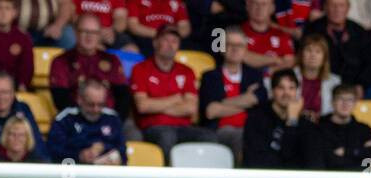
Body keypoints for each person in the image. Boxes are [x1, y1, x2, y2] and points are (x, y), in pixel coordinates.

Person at [131, 25, 213, 155]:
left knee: (208, 137)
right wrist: (176, 99)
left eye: (174, 41)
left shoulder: (187, 71)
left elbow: (191, 108)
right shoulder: (140, 69)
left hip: (183, 127)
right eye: (166, 40)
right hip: (153, 127)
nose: (170, 45)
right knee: (167, 136)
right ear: (155, 42)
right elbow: (143, 106)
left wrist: (156, 106)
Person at [200, 25, 267, 163]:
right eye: (230, 44)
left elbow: (259, 101)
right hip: (220, 130)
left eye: (240, 45)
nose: (235, 49)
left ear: (245, 49)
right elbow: (211, 111)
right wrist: (246, 102)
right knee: (242, 136)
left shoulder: (255, 75)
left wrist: (223, 102)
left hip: (250, 127)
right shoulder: (210, 76)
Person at [48, 13, 131, 115]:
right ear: (75, 32)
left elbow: (123, 97)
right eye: (85, 31)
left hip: (108, 119)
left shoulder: (112, 60)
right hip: (74, 119)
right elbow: (60, 99)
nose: (89, 36)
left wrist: (113, 121)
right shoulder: (61, 61)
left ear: (99, 34)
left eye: (94, 32)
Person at [302, 0, 371, 98]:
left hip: (357, 82)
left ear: (348, 8)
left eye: (341, 5)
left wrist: (361, 84)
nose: (337, 10)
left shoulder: (359, 31)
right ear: (325, 8)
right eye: (332, 5)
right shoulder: (313, 30)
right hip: (325, 81)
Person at [302, 82, 371, 170]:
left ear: (355, 103)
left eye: (350, 100)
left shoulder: (364, 129)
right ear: (332, 102)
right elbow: (324, 161)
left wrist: (346, 152)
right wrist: (360, 153)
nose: (345, 103)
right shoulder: (318, 128)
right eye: (340, 99)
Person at [46, 77, 127, 164]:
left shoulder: (112, 119)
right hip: (74, 173)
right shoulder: (64, 119)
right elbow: (52, 153)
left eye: (101, 104)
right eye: (91, 104)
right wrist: (79, 156)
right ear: (79, 99)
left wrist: (106, 149)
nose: (96, 109)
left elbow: (123, 154)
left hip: (107, 173)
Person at [243, 68, 311, 168]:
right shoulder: (256, 119)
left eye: (291, 88)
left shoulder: (305, 123)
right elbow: (257, 160)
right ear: (272, 91)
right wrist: (292, 121)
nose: (286, 93)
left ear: (297, 92)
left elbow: (308, 160)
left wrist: (292, 120)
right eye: (281, 88)